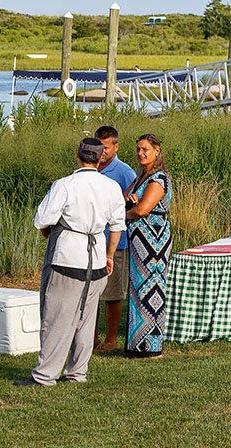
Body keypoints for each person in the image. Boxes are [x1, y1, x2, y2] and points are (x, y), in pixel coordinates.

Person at [15, 138, 126, 387]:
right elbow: (117, 226)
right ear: (100, 159)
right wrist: (109, 256)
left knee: (56, 318)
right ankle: (77, 373)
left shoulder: (64, 185)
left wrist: (49, 228)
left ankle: (45, 376)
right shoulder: (110, 187)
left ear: (77, 155)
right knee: (86, 321)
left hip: (67, 257)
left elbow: (42, 218)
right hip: (97, 259)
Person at [124, 133, 172, 358]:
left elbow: (143, 210)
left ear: (156, 151)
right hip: (138, 241)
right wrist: (129, 201)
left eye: (145, 149)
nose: (141, 153)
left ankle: (152, 347)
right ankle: (136, 344)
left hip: (153, 242)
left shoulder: (159, 178)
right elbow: (123, 199)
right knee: (137, 289)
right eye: (138, 149)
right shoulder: (140, 178)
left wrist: (127, 213)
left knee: (152, 289)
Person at [92, 125, 137, 353]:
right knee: (90, 293)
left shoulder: (125, 172)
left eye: (107, 148)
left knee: (112, 293)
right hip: (92, 242)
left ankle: (111, 339)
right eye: (100, 147)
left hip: (116, 242)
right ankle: (91, 339)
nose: (103, 152)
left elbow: (133, 203)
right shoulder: (91, 167)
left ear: (116, 147)